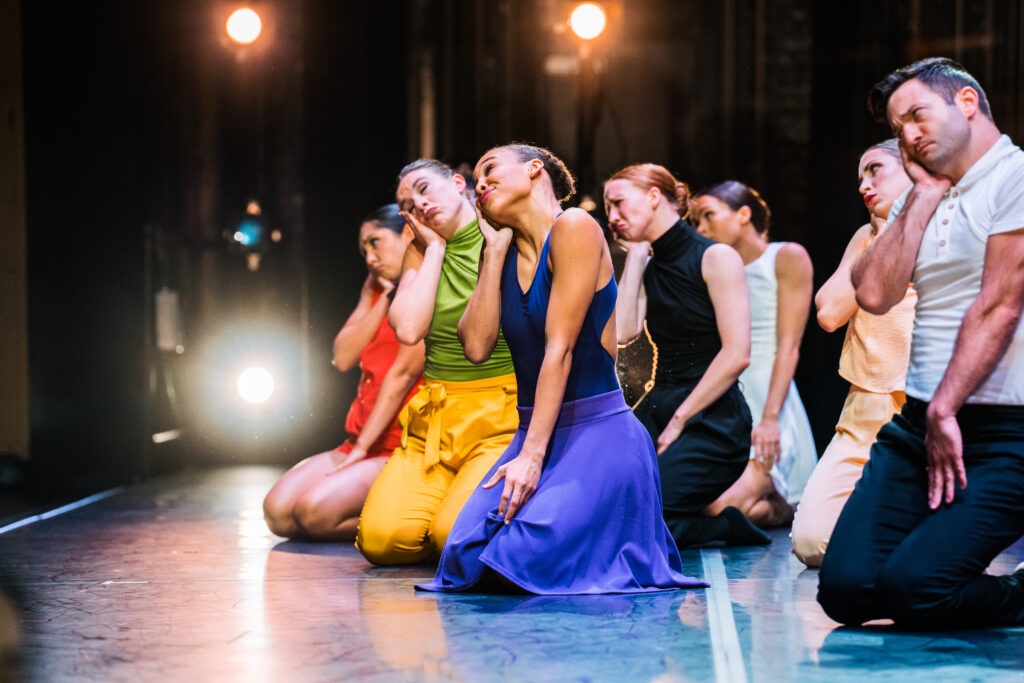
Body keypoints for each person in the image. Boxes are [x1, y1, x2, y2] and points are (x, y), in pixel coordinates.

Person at [418, 144, 702, 594]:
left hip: (599, 435)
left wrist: (530, 459)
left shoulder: (574, 227)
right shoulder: (504, 252)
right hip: (534, 431)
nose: (481, 183)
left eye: (491, 170)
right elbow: (475, 346)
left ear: (534, 170)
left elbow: (561, 349)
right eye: (478, 181)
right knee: (464, 557)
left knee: (518, 559)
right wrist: (492, 255)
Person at [818, 57, 1024, 628]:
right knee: (844, 592)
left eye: (917, 114)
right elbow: (876, 294)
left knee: (915, 592)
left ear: (965, 102)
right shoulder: (926, 195)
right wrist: (921, 196)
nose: (907, 133)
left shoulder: (1016, 177)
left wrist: (945, 405)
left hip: (1007, 431)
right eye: (897, 124)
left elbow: (1000, 304)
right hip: (919, 426)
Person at [355, 160, 518, 565]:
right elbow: (409, 329)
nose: (419, 204)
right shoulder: (420, 252)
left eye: (425, 189)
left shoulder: (503, 237)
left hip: (500, 414)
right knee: (381, 541)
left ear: (459, 184)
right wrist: (436, 249)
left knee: (451, 538)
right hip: (437, 416)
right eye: (408, 204)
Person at [605, 163, 770, 549]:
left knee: (639, 524)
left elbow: (737, 354)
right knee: (609, 511)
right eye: (608, 208)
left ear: (653, 197)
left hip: (711, 420)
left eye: (618, 203)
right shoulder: (649, 265)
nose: (611, 217)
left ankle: (727, 528)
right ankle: (710, 521)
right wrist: (635, 256)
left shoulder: (715, 257)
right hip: (660, 406)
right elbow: (624, 333)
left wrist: (681, 418)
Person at [263, 205, 424, 540]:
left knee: (314, 514)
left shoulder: (426, 291)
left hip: (399, 446)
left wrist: (364, 448)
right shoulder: (379, 290)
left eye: (375, 242)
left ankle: (413, 529)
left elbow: (401, 377)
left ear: (407, 235)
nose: (370, 256)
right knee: (278, 512)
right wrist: (378, 296)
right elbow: (342, 356)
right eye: (363, 249)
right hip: (359, 441)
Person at [790, 140, 915, 568]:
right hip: (865, 408)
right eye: (859, 176)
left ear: (913, 169)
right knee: (811, 543)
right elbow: (828, 313)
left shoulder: (951, 228)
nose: (864, 184)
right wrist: (883, 234)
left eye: (875, 170)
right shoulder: (866, 236)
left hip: (927, 404)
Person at [691, 181, 816, 528]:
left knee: (720, 507)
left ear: (743, 214)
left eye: (708, 216)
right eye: (696, 222)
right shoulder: (711, 267)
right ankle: (774, 504)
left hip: (768, 394)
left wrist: (771, 418)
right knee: (701, 503)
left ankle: (784, 507)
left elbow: (788, 346)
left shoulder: (785, 256)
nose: (701, 228)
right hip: (727, 393)